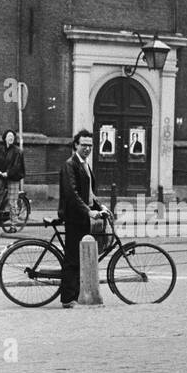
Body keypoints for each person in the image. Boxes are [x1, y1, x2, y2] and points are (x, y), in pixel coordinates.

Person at [57, 130, 105, 309]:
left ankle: (76, 293)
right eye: (84, 144)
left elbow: (89, 193)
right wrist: (88, 211)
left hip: (83, 217)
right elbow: (72, 194)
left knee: (79, 257)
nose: (87, 148)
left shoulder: (84, 165)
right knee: (72, 258)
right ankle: (68, 299)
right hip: (74, 217)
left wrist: (101, 207)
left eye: (90, 145)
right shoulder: (70, 165)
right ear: (76, 145)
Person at [0, 129, 25, 226]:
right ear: (5, 138)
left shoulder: (18, 151)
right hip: (2, 178)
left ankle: (13, 225)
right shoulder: (1, 150)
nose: (11, 138)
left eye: (12, 136)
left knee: (12, 202)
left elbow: (16, 166)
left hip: (13, 178)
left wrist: (7, 173)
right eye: (9, 136)